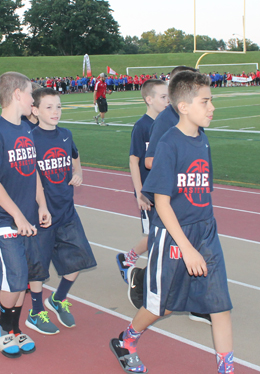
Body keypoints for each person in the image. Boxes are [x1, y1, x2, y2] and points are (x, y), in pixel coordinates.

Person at [110, 71, 233, 374]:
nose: (212, 107)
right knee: (160, 306)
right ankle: (127, 340)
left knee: (219, 306)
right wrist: (187, 248)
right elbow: (162, 204)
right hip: (174, 236)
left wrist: (202, 239)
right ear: (184, 106)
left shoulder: (202, 140)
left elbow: (201, 192)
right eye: (206, 101)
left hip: (206, 230)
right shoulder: (169, 144)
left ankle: (226, 369)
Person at [0, 72, 51, 358]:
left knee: (21, 279)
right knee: (15, 277)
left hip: (26, 216)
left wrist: (42, 205)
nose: (33, 100)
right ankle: (1, 325)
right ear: (17, 95)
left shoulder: (24, 129)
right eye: (30, 94)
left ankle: (11, 328)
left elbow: (31, 170)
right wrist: (18, 217)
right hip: (2, 219)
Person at [27, 88, 97, 335]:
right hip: (41, 214)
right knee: (38, 267)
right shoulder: (29, 138)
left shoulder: (66, 135)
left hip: (67, 210)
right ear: (34, 111)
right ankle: (35, 311)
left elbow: (75, 158)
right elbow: (28, 175)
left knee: (77, 260)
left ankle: (58, 299)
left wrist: (78, 173)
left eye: (58, 106)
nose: (55, 111)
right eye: (49, 107)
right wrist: (41, 205)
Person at [116, 80, 169, 283]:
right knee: (152, 236)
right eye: (163, 97)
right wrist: (139, 192)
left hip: (166, 191)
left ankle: (158, 272)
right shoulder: (142, 126)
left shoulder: (167, 125)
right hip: (149, 193)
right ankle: (128, 259)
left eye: (168, 97)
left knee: (163, 234)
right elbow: (133, 160)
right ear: (149, 99)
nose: (168, 101)